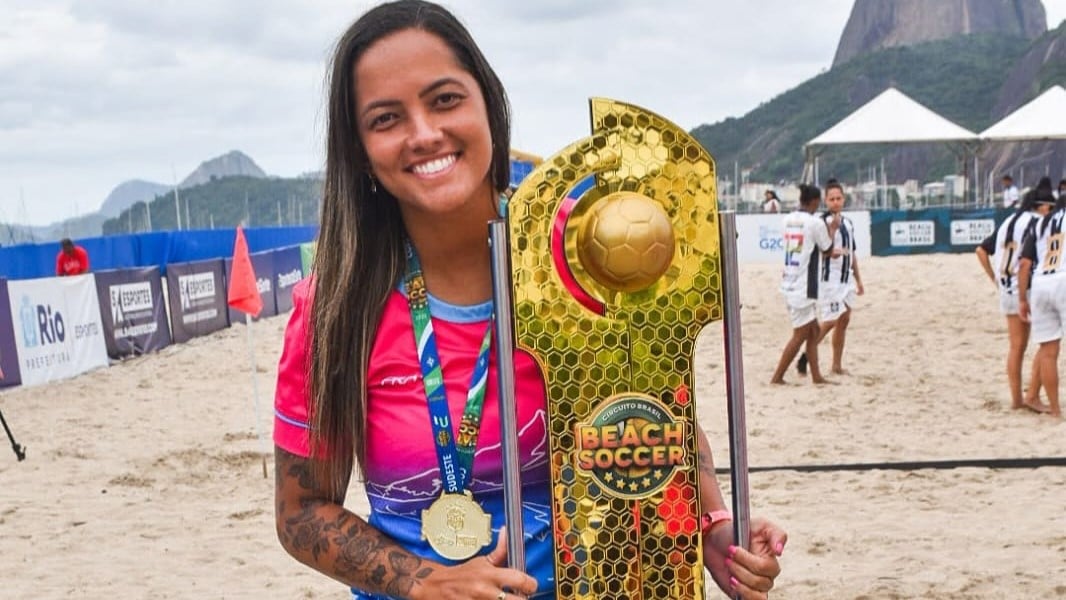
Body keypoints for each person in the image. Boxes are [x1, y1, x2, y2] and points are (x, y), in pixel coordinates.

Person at [272, 2, 787, 599]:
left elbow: (656, 414)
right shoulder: (338, 307)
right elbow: (301, 511)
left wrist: (712, 528)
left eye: (444, 100)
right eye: (386, 119)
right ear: (360, 150)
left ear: (489, 104)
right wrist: (425, 581)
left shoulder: (582, 254)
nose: (423, 134)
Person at [975, 190, 1050, 412]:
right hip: (1029, 287)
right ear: (1041, 206)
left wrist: (994, 279)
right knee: (1047, 342)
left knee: (1016, 347)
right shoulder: (1038, 222)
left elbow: (981, 250)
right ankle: (1033, 395)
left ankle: (1017, 400)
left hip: (1007, 287)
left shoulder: (1008, 221)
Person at [771, 183, 840, 385]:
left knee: (813, 332)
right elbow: (827, 249)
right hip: (804, 286)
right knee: (800, 334)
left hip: (789, 280)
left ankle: (817, 376)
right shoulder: (815, 223)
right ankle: (777, 376)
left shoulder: (787, 219)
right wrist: (833, 229)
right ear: (815, 201)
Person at [806, 180, 864, 376]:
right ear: (825, 200)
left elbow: (852, 253)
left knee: (844, 320)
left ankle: (836, 365)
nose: (836, 202)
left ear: (844, 199)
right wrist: (832, 231)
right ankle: (806, 354)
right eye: (832, 199)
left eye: (838, 198)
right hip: (829, 280)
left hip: (846, 279)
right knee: (832, 319)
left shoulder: (848, 222)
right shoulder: (821, 222)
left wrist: (858, 279)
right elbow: (819, 251)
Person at [1017, 186, 1065, 419]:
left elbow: (1024, 264)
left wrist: (1022, 299)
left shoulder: (1040, 224)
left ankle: (1055, 410)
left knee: (1048, 351)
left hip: (1040, 284)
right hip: (1064, 281)